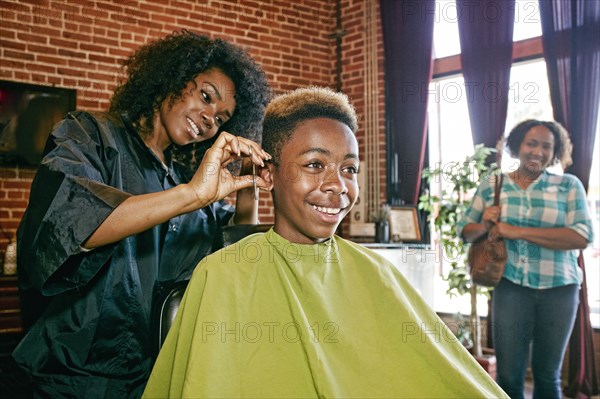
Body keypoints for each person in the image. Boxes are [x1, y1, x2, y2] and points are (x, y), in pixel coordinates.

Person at [143, 87, 508, 398]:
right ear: (268, 176)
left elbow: (442, 376)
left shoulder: (376, 272)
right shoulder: (221, 275)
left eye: (349, 169)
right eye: (315, 165)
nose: (338, 185)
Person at [13, 30, 271, 398]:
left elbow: (234, 256)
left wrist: (247, 185)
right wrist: (190, 194)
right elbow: (73, 222)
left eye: (221, 118)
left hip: (155, 376)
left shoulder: (183, 178)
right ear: (171, 78)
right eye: (205, 96)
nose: (210, 118)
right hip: (76, 377)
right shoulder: (92, 136)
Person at [458, 120, 594, 399]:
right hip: (510, 288)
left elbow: (581, 237)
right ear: (517, 146)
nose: (538, 151)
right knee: (509, 376)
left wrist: (514, 231)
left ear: (555, 153)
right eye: (531, 143)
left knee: (547, 375)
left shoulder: (568, 185)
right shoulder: (493, 184)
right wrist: (485, 223)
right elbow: (465, 232)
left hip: (560, 290)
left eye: (547, 146)